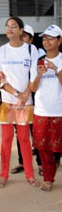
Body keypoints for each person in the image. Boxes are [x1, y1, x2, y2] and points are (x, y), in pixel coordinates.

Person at [0, 16, 40, 188]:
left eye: (13, 26)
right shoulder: (1, 52)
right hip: (7, 101)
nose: (9, 29)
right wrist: (17, 94)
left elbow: (34, 75)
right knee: (6, 139)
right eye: (7, 26)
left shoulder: (31, 50)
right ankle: (3, 175)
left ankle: (30, 175)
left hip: (25, 102)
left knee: (24, 139)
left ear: (21, 30)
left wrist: (25, 94)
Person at [30, 24, 62, 191]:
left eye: (51, 38)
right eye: (44, 38)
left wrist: (56, 70)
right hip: (41, 110)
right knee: (43, 148)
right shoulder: (38, 61)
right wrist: (39, 75)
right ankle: (48, 178)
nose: (46, 41)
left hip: (60, 111)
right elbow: (32, 89)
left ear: (59, 40)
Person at [11, 24, 43, 176]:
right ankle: (22, 162)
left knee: (36, 133)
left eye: (24, 36)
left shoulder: (38, 54)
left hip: (35, 99)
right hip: (19, 100)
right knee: (21, 133)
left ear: (30, 39)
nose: (21, 39)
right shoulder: (13, 53)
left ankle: (41, 164)